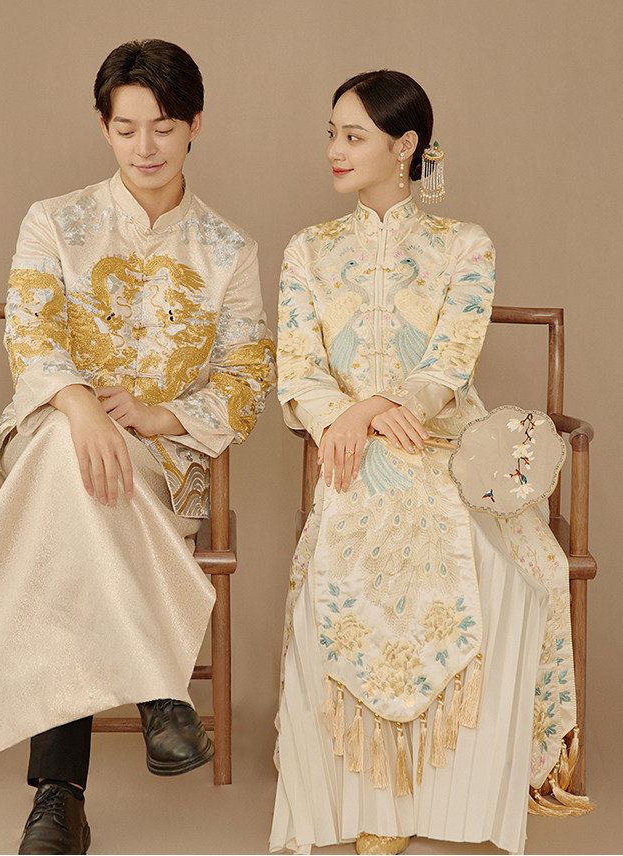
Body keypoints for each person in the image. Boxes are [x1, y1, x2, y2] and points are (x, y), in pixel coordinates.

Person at [0, 39, 275, 855]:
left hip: (160, 466)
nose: (145, 148)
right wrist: (80, 410)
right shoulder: (53, 221)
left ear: (195, 125)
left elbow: (248, 376)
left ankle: (59, 796)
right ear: (103, 128)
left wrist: (160, 419)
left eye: (163, 128)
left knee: (70, 502)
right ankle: (161, 685)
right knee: (67, 454)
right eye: (126, 129)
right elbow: (31, 333)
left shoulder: (229, 249)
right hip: (49, 437)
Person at [270, 70, 588, 855]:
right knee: (359, 538)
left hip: (444, 446)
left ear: (404, 144)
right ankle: (373, 796)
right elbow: (297, 371)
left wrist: (377, 406)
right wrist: (346, 418)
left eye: (354, 136)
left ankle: (462, 789)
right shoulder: (309, 251)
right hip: (350, 450)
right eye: (333, 133)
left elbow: (449, 362)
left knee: (530, 570)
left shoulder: (464, 245)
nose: (335, 149)